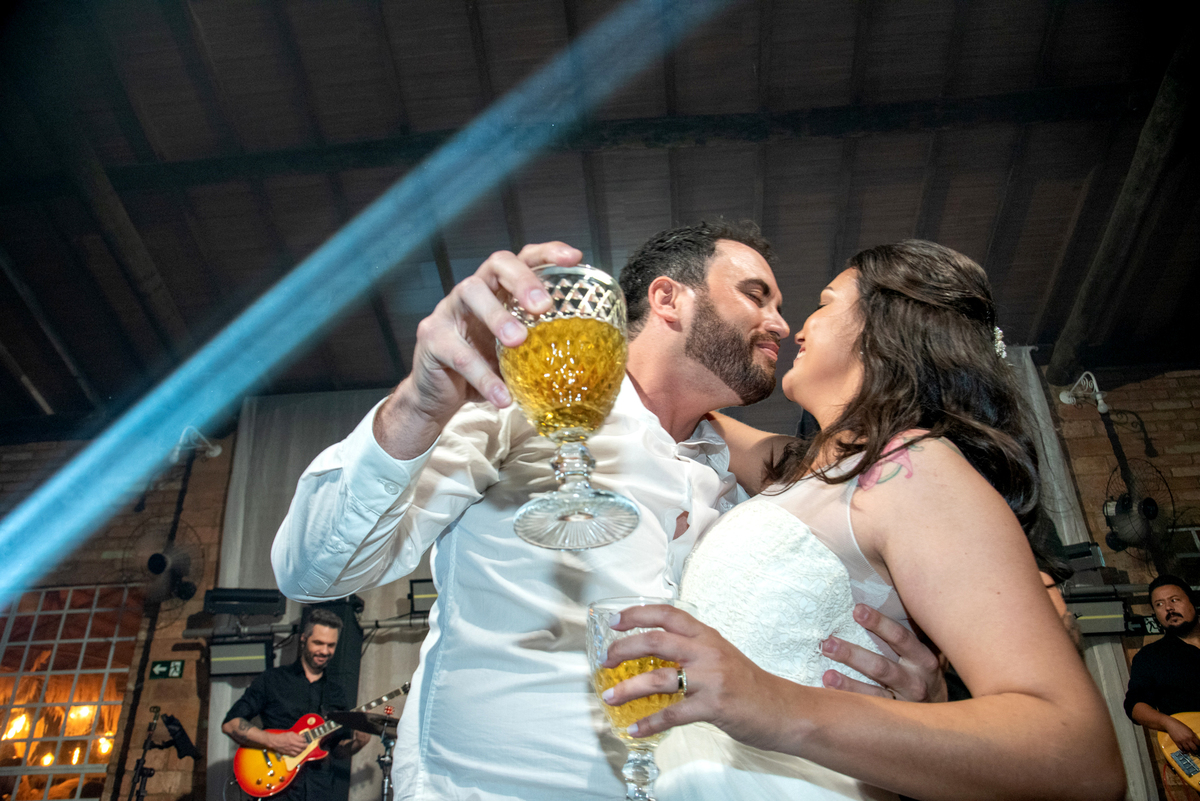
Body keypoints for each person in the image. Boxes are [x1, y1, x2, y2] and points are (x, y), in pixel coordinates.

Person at [270, 222, 939, 801]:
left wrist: (917, 711)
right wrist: (419, 402)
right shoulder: (519, 408)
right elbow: (312, 568)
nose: (780, 325)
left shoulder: (746, 493)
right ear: (668, 297)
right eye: (756, 295)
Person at [601, 240, 1125, 801]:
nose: (794, 329)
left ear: (884, 330)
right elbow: (667, 398)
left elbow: (1082, 761)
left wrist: (776, 704)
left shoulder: (914, 467)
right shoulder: (802, 471)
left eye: (824, 304)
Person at [222, 608, 368, 801]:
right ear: (303, 639)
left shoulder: (336, 693)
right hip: (277, 789)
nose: (324, 651)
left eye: (331, 645)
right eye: (318, 643)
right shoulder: (273, 680)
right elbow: (231, 724)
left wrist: (357, 744)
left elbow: (336, 750)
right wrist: (274, 740)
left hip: (319, 789)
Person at [1125, 573, 1200, 754]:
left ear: (1193, 602)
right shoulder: (1149, 657)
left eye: (1174, 600)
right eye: (1159, 605)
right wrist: (1169, 723)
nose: (1168, 608)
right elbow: (1135, 705)